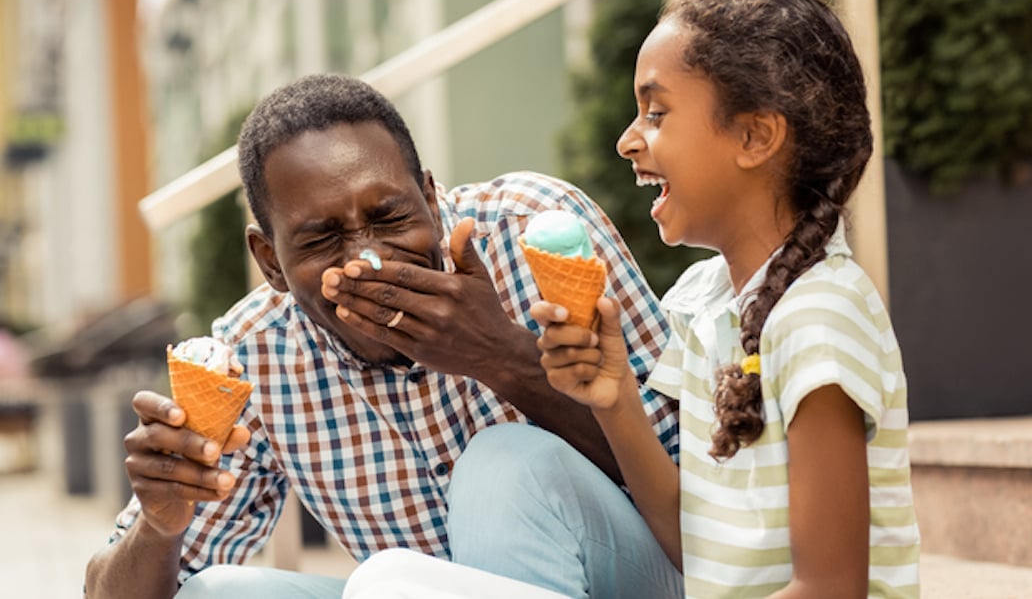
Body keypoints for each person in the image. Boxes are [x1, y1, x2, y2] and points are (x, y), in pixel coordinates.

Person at [84, 73, 683, 598]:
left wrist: (504, 361)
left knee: (503, 463)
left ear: (429, 195)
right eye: (321, 239)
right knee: (219, 594)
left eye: (388, 217)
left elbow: (702, 489)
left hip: (637, 578)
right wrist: (158, 528)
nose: (366, 260)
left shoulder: (533, 233)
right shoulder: (254, 356)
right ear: (269, 261)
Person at [532, 0, 921, 598]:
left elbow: (830, 589)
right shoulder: (700, 301)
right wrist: (616, 398)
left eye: (656, 113)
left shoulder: (820, 318)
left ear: (754, 135)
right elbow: (698, 548)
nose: (629, 140)